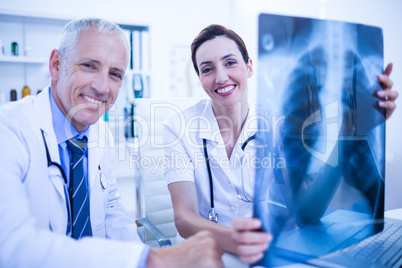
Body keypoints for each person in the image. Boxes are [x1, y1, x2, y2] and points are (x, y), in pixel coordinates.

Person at [0, 18, 263, 268]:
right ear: (56, 65)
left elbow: (112, 212)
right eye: (89, 66)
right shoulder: (9, 130)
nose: (102, 87)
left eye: (115, 74)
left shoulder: (100, 134)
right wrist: (152, 260)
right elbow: (10, 246)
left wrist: (145, 257)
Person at [162, 24, 398, 264]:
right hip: (203, 256)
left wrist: (350, 135)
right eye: (207, 69)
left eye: (230, 62)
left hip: (261, 254)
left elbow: (307, 213)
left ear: (249, 67)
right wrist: (235, 239)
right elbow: (184, 218)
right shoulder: (178, 126)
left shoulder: (275, 124)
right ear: (200, 78)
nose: (221, 77)